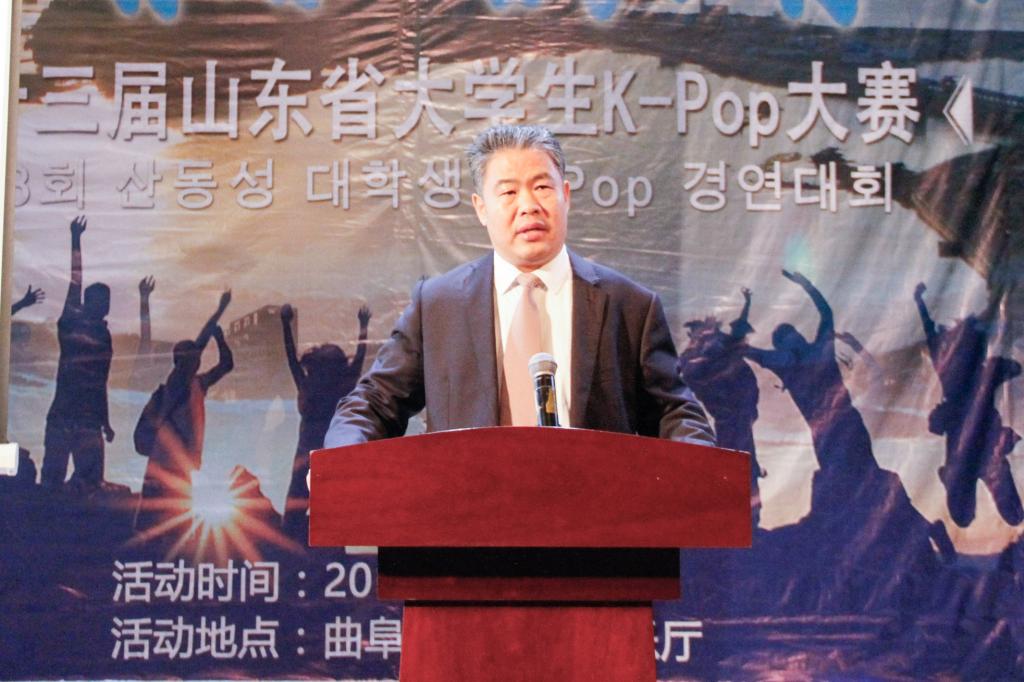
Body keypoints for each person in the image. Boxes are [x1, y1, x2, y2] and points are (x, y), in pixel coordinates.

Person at [324, 124, 713, 448]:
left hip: (593, 512)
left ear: (565, 195)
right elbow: (375, 403)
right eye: (508, 192)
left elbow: (674, 412)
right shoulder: (438, 305)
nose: (528, 205)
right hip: (466, 511)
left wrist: (702, 471)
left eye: (542, 187)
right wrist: (341, 467)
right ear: (481, 208)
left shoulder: (629, 305)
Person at [133, 291, 234, 534]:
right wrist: (219, 312)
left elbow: (227, 365)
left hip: (177, 464)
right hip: (165, 463)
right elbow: (203, 343)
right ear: (181, 361)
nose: (197, 359)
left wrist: (220, 338)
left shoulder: (197, 384)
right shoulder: (178, 382)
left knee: (172, 525)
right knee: (157, 524)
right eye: (192, 356)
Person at [280, 302, 370, 538]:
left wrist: (285, 324)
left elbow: (291, 358)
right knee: (326, 518)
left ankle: (298, 547)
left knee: (297, 517)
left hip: (310, 459)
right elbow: (359, 358)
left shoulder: (309, 385)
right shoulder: (341, 387)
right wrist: (363, 326)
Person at [41, 216, 116, 492]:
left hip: (88, 420)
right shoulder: (72, 322)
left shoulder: (103, 336)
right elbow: (75, 282)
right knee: (53, 482)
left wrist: (105, 421)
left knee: (89, 485)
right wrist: (75, 240)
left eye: (107, 301)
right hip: (66, 416)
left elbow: (100, 382)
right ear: (89, 303)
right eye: (102, 301)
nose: (106, 306)